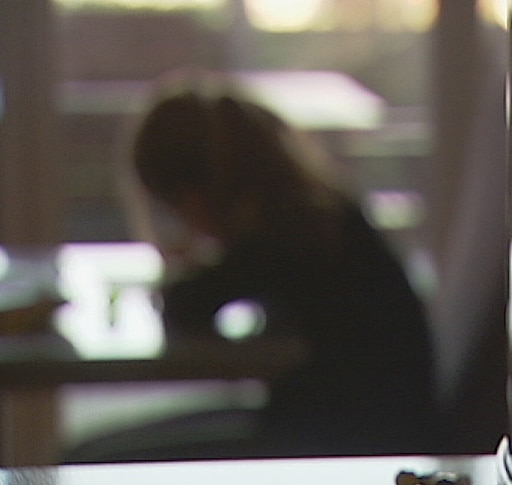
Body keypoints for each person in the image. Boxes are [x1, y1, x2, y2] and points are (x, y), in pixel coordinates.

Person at [74, 76, 441, 460]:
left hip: (342, 442)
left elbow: (187, 306)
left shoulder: (287, 235)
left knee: (87, 459)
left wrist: (188, 266)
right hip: (363, 427)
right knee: (93, 452)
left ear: (194, 194)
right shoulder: (316, 218)